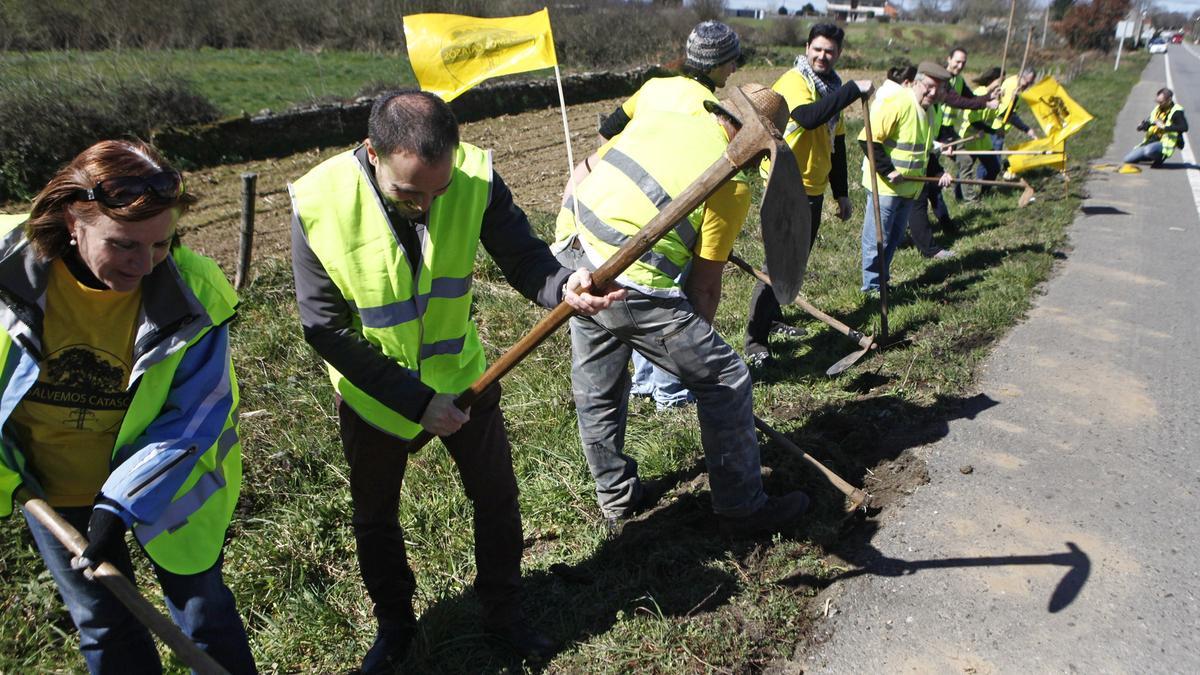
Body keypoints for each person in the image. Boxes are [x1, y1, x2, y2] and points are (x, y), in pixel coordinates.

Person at [289, 90, 621, 673]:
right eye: (409, 192)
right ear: (373, 153)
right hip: (376, 396)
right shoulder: (319, 200)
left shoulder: (473, 177)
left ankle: (505, 613)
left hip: (466, 377)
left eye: (437, 192)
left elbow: (524, 258)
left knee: (495, 498)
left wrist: (563, 286)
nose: (426, 205)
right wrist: (417, 403)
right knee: (375, 517)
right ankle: (395, 626)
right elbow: (323, 328)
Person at [0, 140, 255, 672]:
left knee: (203, 613)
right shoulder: (8, 272)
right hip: (53, 490)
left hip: (170, 489)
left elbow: (196, 414)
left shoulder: (191, 295)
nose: (143, 265)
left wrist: (120, 502)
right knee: (104, 626)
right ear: (74, 220)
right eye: (123, 246)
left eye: (160, 245)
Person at [554, 83, 811, 538]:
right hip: (630, 284)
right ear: (754, 145)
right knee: (727, 380)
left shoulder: (672, 106)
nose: (757, 166)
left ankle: (616, 498)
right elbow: (704, 287)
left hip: (575, 248)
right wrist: (694, 361)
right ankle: (743, 509)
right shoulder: (731, 182)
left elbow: (605, 154)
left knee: (597, 385)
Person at [592, 19, 743, 409]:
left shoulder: (656, 87)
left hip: (624, 207)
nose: (735, 68)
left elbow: (609, 131)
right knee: (665, 297)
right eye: (731, 61)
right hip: (672, 214)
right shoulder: (707, 108)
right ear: (716, 64)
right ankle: (671, 391)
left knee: (634, 297)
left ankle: (644, 382)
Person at [742, 22, 874, 368]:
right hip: (785, 184)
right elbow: (808, 117)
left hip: (813, 188)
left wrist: (841, 194)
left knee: (794, 263)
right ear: (806, 48)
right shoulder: (795, 81)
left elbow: (838, 144)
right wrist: (851, 91)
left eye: (830, 51)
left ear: (838, 54)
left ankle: (772, 319)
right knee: (778, 263)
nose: (822, 55)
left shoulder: (830, 87)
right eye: (817, 48)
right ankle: (755, 340)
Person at [858, 62, 954, 294]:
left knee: (894, 239)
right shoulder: (898, 103)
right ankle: (871, 288)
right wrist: (887, 170)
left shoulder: (929, 112)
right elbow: (867, 138)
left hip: (910, 188)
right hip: (885, 186)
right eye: (929, 86)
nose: (932, 92)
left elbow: (925, 150)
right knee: (877, 239)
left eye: (937, 89)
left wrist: (938, 172)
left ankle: (883, 282)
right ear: (916, 82)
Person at [906, 47, 1000, 260]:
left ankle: (943, 227)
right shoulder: (940, 81)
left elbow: (968, 98)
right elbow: (958, 101)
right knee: (923, 193)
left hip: (939, 135)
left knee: (932, 188)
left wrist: (988, 97)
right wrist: (985, 102)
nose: (960, 66)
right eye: (957, 61)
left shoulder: (956, 81)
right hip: (932, 137)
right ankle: (932, 236)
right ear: (948, 59)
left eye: (963, 63)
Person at [1122, 87, 1188, 166]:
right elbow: (1151, 123)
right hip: (1150, 142)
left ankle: (1159, 157)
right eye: (1157, 101)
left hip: (1164, 144)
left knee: (1148, 150)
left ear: (1169, 100)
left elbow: (1184, 127)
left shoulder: (1176, 111)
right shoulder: (1157, 109)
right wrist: (1142, 126)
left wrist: (1164, 127)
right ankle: (1150, 155)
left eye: (1161, 102)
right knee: (1128, 159)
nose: (1158, 104)